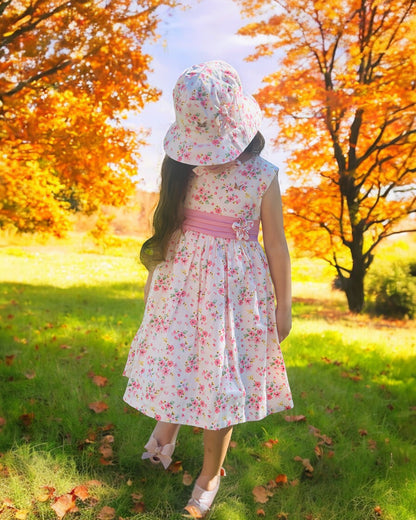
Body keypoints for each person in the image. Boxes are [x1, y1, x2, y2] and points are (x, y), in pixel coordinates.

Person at [123, 60, 293, 518]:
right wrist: (152, 278)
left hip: (236, 292)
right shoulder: (180, 164)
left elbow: (275, 245)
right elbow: (170, 225)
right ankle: (166, 433)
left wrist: (284, 303)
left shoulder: (262, 174)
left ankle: (208, 476)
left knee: (221, 379)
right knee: (179, 361)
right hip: (180, 281)